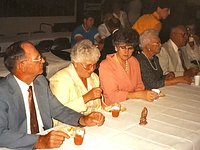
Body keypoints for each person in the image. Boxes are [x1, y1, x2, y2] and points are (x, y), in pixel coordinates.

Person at [0, 41, 105, 149]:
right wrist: (39, 141)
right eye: (38, 58)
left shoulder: (40, 82)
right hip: (18, 146)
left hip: (47, 138)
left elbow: (58, 110)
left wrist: (82, 119)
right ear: (22, 66)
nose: (44, 61)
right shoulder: (3, 92)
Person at [99, 27, 159, 106]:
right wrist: (138, 95)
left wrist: (139, 96)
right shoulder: (106, 65)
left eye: (130, 48)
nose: (126, 52)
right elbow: (112, 96)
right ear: (116, 47)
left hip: (133, 103)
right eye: (123, 47)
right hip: (113, 107)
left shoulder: (134, 61)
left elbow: (139, 85)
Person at [50, 40, 102, 126]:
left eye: (94, 65)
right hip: (69, 127)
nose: (92, 69)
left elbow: (97, 107)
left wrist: (98, 116)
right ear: (75, 63)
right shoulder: (60, 80)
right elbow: (58, 114)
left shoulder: (94, 77)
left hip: (91, 125)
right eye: (88, 66)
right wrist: (86, 97)